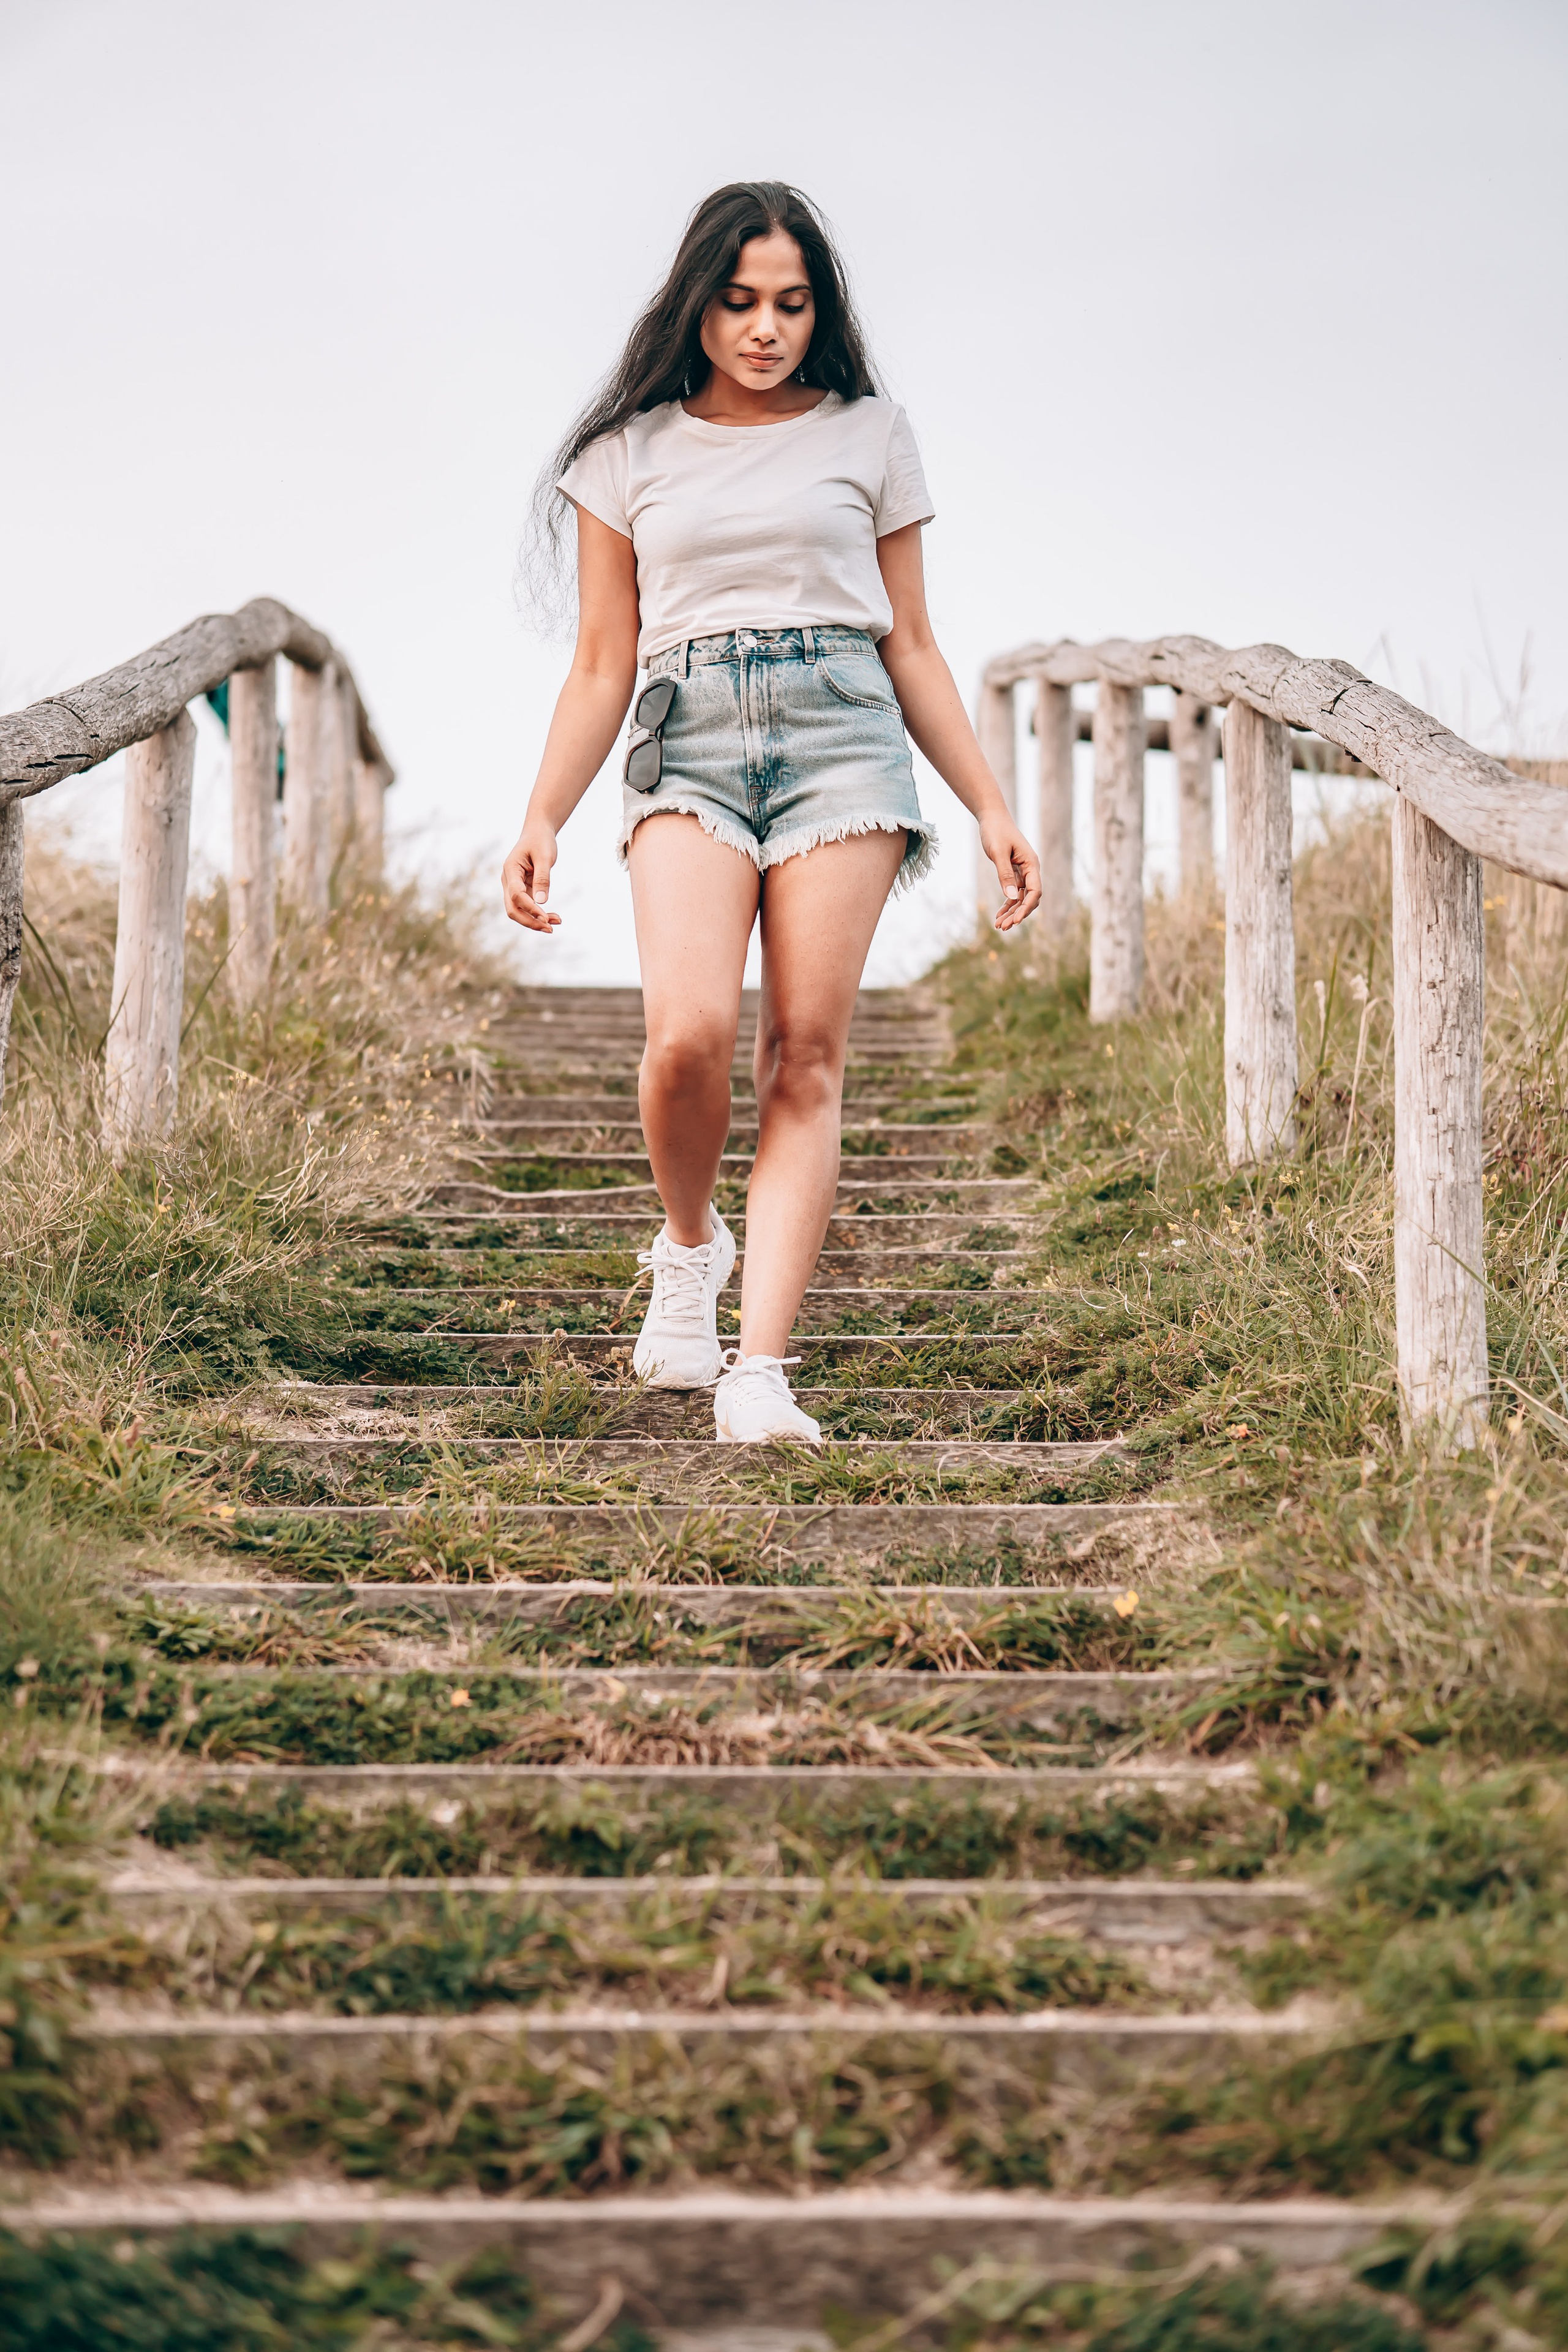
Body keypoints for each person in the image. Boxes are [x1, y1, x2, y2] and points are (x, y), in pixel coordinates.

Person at [503, 181, 1040, 1444]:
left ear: (820, 311)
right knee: (685, 1036)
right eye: (739, 301)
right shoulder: (620, 455)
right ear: (695, 305)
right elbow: (599, 661)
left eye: (790, 304)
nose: (764, 328)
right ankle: (687, 1249)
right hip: (683, 735)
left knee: (803, 1055)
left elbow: (910, 641)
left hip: (843, 733)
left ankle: (758, 1371)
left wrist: (988, 804)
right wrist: (539, 814)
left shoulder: (869, 432)